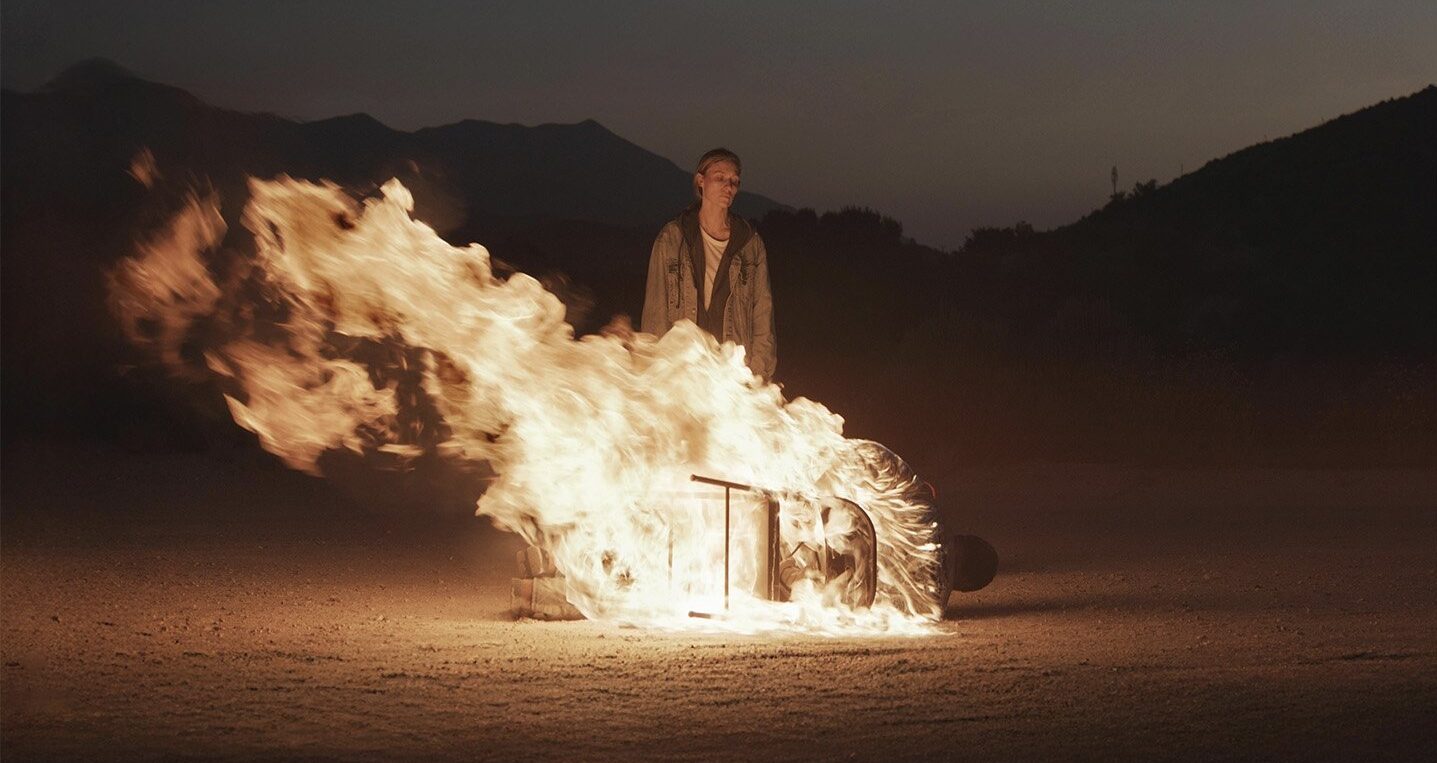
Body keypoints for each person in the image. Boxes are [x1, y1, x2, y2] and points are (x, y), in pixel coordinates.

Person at [641, 148, 776, 381]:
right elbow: (655, 313)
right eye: (720, 178)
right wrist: (656, 372)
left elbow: (763, 315)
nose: (729, 186)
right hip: (683, 372)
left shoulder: (750, 244)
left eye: (734, 181)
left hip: (732, 373)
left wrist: (758, 374)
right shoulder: (672, 238)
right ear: (700, 181)